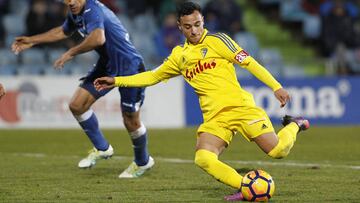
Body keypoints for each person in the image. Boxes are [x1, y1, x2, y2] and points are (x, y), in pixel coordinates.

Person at [94, 1, 310, 200]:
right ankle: (245, 187)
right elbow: (152, 76)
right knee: (203, 158)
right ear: (180, 26)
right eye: (188, 26)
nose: (194, 30)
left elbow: (249, 63)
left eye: (197, 24)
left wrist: (276, 86)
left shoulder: (218, 41)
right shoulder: (179, 56)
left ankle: (294, 124)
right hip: (215, 118)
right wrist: (116, 81)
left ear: (203, 21)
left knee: (278, 151)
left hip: (241, 108)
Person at [11, 0, 154, 178]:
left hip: (129, 67)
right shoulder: (75, 12)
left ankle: (143, 162)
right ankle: (103, 148)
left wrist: (70, 52)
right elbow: (63, 31)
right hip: (108, 65)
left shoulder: (92, 9)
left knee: (130, 120)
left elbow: (98, 38)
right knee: (77, 105)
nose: (70, 2)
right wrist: (32, 40)